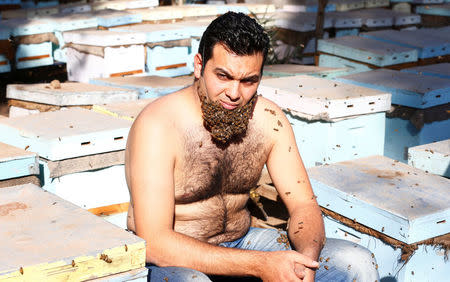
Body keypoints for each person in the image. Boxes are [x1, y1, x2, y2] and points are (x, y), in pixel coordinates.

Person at [125, 12, 379, 282]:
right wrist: (260, 265)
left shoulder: (268, 120)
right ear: (199, 66)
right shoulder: (158, 126)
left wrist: (305, 259)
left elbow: (304, 204)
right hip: (175, 261)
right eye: (223, 76)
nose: (235, 93)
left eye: (248, 81)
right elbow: (155, 242)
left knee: (356, 263)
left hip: (242, 241)